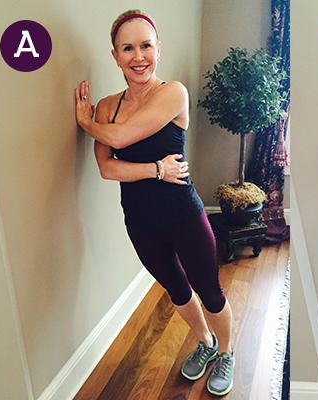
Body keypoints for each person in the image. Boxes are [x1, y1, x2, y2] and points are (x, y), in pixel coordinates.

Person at [74, 10, 234, 396]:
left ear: (158, 49)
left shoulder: (172, 92)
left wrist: (88, 125)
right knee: (176, 288)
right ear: (115, 56)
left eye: (146, 45)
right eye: (127, 48)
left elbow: (122, 138)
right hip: (140, 221)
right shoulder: (107, 105)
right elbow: (107, 170)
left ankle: (227, 351)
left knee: (209, 291)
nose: (138, 56)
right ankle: (205, 343)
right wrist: (157, 170)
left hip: (184, 215)